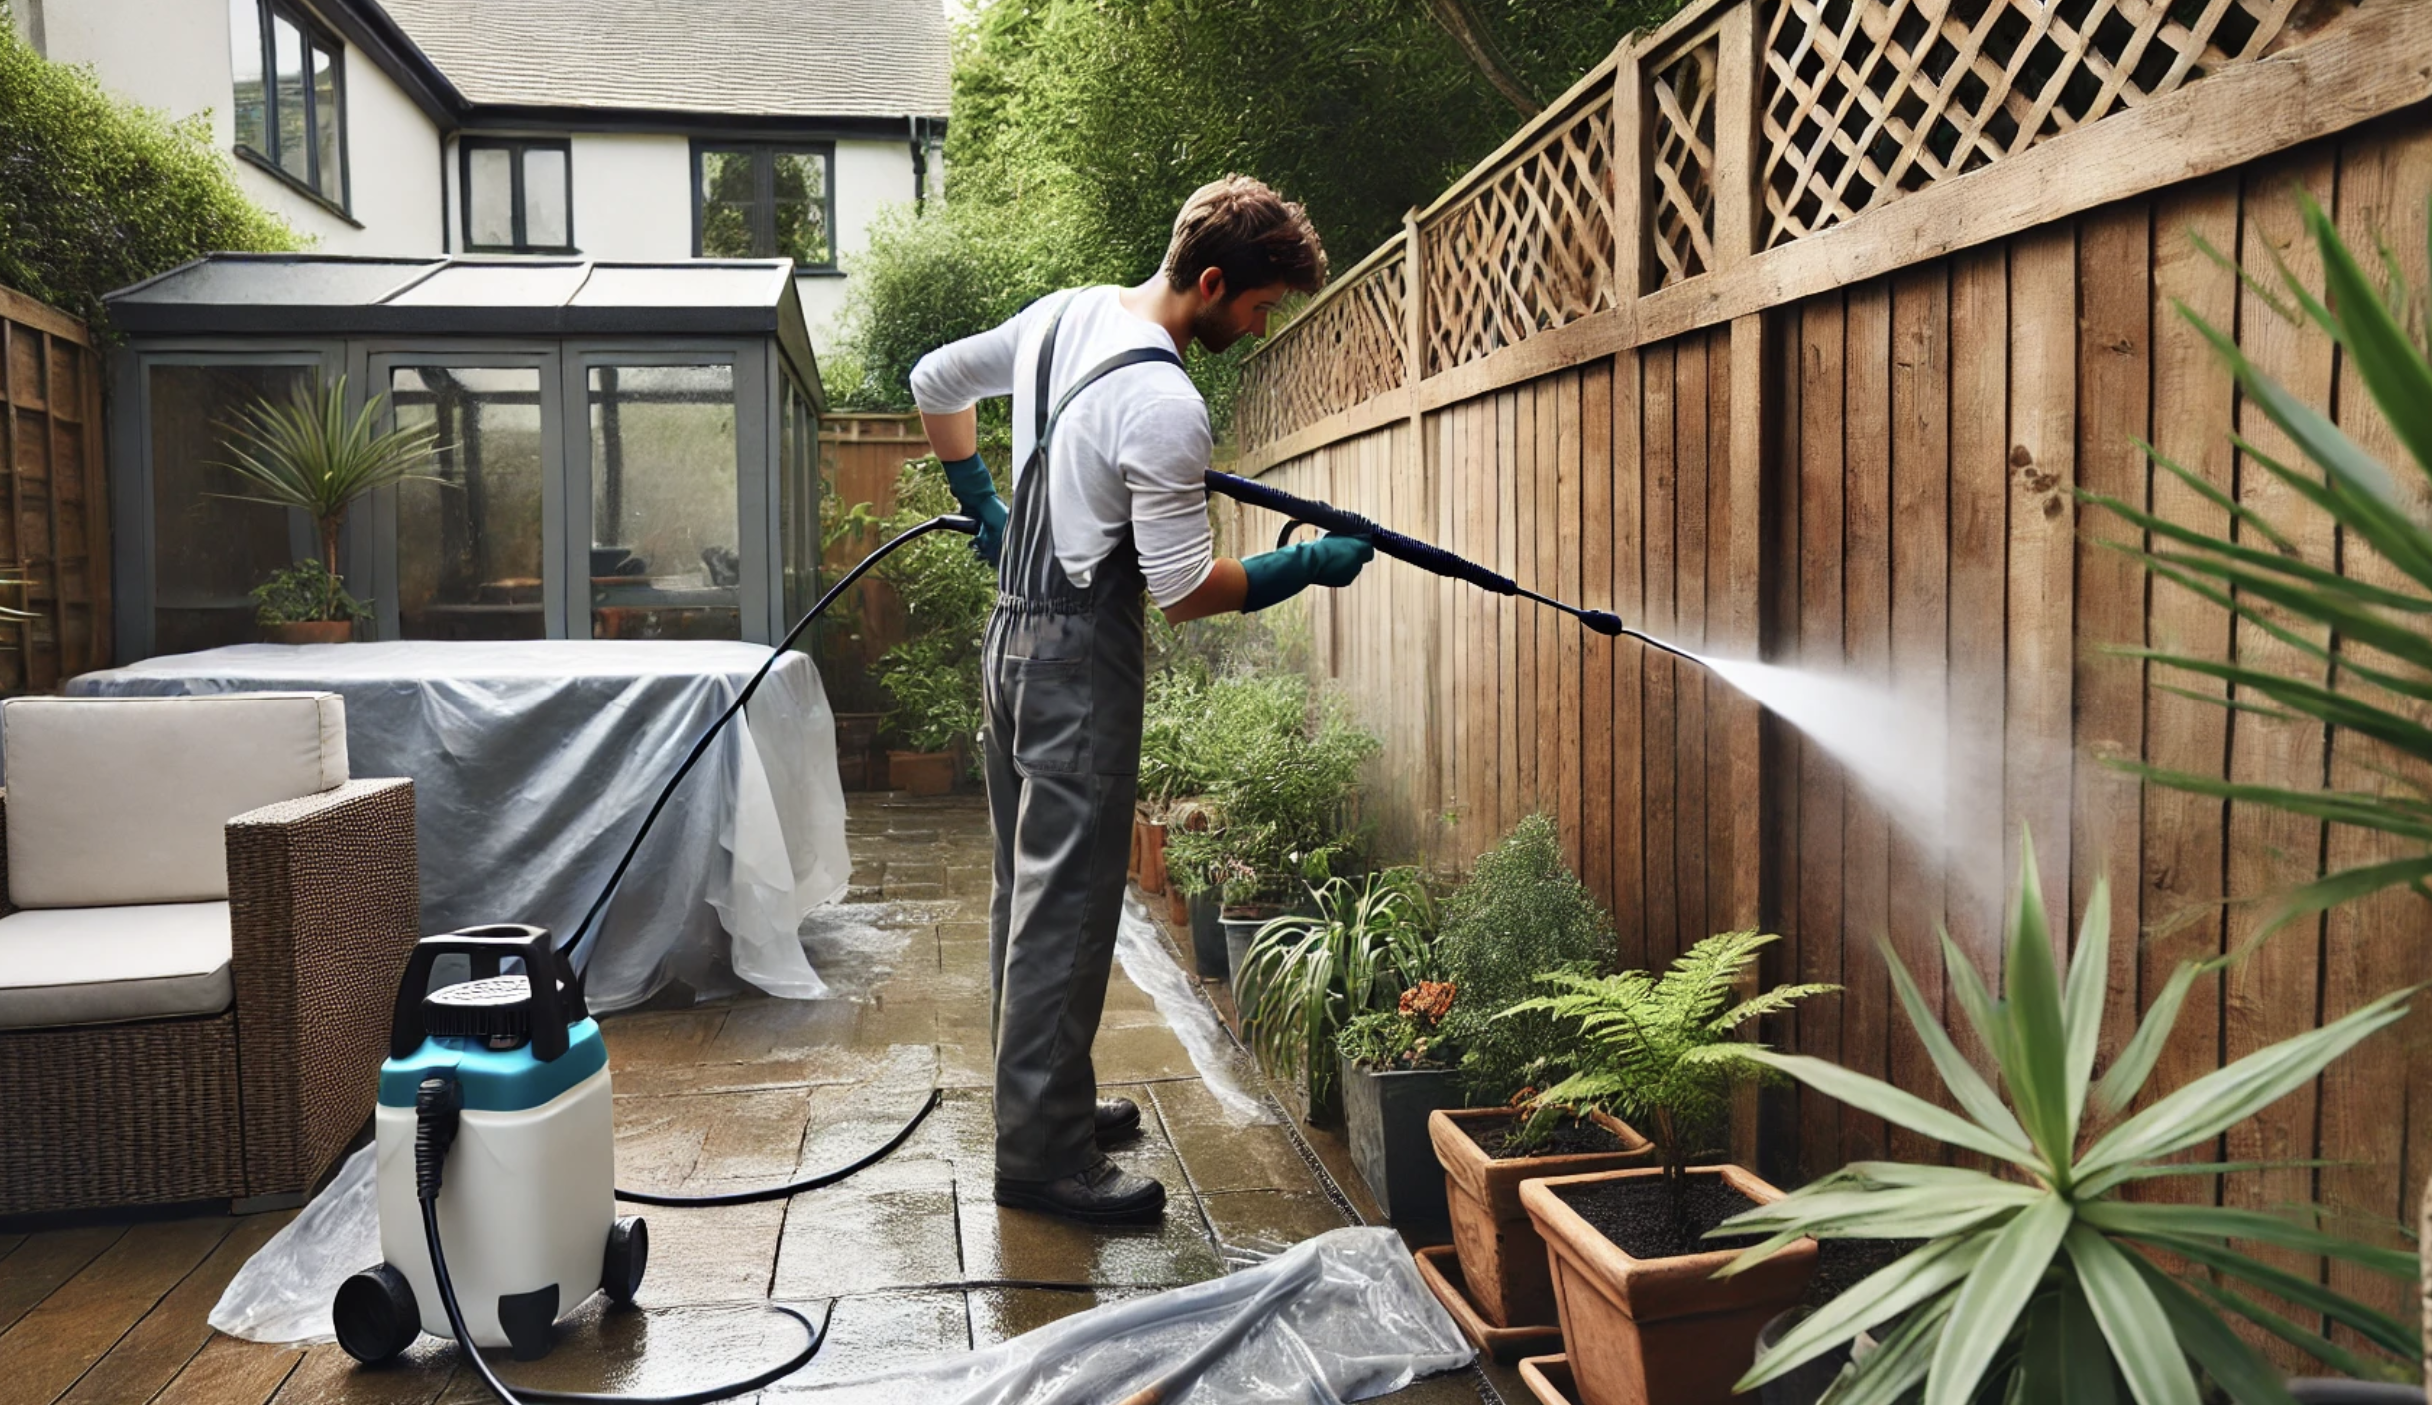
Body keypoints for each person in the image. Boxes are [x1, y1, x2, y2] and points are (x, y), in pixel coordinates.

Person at [908, 176, 1375, 1224]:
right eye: (1256, 308)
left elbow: (933, 379)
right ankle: (1040, 1161)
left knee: (1019, 897)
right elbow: (1182, 591)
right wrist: (1301, 567)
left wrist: (979, 499)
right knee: (1064, 910)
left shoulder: (1064, 314)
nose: (1257, 327)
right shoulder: (1166, 405)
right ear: (1211, 281)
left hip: (1010, 639)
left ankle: (1049, 1106)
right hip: (1077, 660)